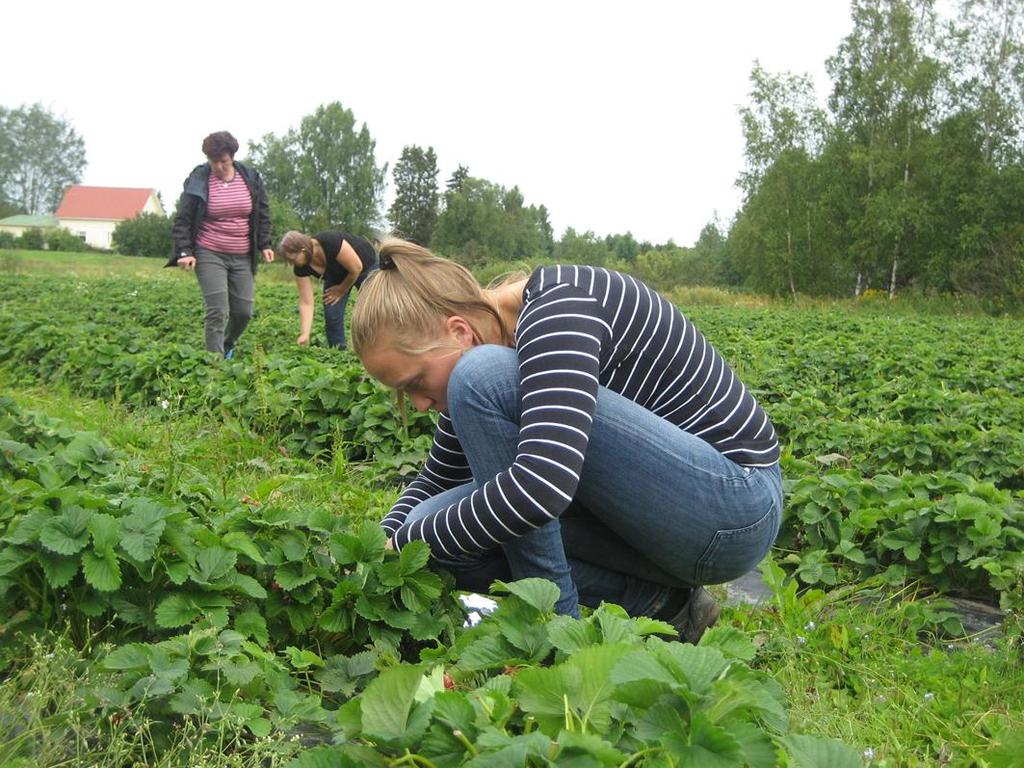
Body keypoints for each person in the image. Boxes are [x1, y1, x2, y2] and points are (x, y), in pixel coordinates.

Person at [351, 239, 784, 643]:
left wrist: (411, 541)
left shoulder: (558, 308)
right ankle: (663, 606)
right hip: (662, 525)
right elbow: (435, 480)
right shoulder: (486, 353)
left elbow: (541, 486)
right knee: (433, 525)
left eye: (416, 383)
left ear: (460, 332)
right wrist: (380, 548)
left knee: (478, 388)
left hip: (734, 509)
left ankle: (555, 631)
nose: (420, 404)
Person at [167, 131, 274, 357]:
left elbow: (262, 212)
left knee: (244, 311)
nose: (218, 166)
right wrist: (185, 251)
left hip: (242, 255)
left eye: (223, 161)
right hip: (209, 252)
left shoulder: (250, 177)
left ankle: (227, 343)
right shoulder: (198, 179)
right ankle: (214, 367)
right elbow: (184, 218)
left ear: (232, 157)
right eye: (213, 161)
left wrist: (265, 244)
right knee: (217, 311)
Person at [276, 230, 379, 349]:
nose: (290, 263)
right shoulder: (300, 268)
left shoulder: (330, 241)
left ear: (303, 250)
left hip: (365, 265)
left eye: (292, 259)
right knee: (332, 314)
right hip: (337, 276)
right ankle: (338, 354)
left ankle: (378, 348)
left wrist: (341, 290)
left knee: (375, 308)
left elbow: (356, 268)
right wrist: (305, 333)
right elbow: (306, 302)